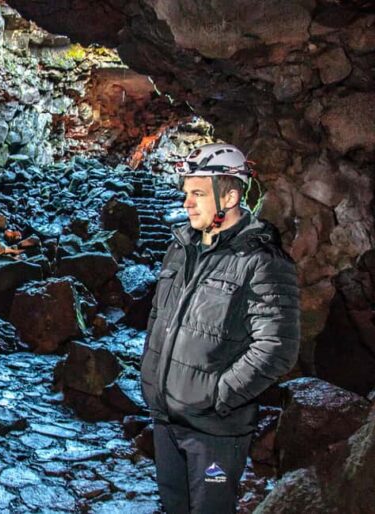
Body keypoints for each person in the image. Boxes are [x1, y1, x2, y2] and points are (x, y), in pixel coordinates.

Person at [141, 143, 300, 513]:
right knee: (173, 506)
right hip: (166, 419)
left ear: (229, 197)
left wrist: (217, 396)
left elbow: (277, 347)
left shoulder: (262, 262)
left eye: (198, 194)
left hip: (214, 432)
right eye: (186, 193)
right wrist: (151, 378)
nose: (187, 203)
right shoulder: (180, 248)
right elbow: (158, 318)